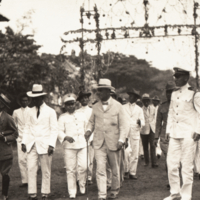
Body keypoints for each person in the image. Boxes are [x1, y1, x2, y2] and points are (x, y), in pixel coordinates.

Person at [85, 78, 128, 200]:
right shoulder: (95, 106)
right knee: (100, 169)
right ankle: (102, 194)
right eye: (99, 91)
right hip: (99, 142)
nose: (99, 93)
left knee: (115, 169)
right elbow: (91, 122)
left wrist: (121, 140)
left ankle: (114, 190)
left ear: (109, 92)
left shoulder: (118, 106)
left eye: (102, 91)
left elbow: (123, 125)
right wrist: (88, 131)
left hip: (114, 142)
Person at [163, 67, 200, 200]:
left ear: (186, 78)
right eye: (175, 77)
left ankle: (186, 195)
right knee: (171, 164)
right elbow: (171, 113)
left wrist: (198, 130)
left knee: (187, 166)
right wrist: (168, 130)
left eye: (178, 77)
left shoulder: (194, 94)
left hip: (188, 134)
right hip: (174, 133)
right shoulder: (174, 93)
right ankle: (174, 193)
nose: (176, 79)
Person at [21, 84, 58, 200]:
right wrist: (23, 142)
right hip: (32, 144)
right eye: (33, 98)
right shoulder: (29, 111)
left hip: (45, 145)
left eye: (36, 98)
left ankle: (45, 193)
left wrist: (51, 144)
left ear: (42, 98)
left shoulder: (51, 111)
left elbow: (54, 129)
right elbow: (27, 127)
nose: (33, 100)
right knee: (31, 168)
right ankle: (32, 193)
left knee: (45, 169)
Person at [58, 94, 88, 199]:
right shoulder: (62, 117)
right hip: (69, 147)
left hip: (82, 144)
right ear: (65, 106)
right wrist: (65, 136)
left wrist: (88, 136)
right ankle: (72, 191)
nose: (71, 106)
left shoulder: (82, 114)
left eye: (72, 104)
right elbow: (59, 131)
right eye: (68, 105)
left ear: (75, 104)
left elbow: (87, 127)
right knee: (70, 169)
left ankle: (82, 184)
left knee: (84, 166)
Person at [154, 81, 176, 190]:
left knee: (177, 160)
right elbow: (158, 124)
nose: (169, 94)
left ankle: (176, 179)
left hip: (178, 135)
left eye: (172, 92)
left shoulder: (180, 105)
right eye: (168, 92)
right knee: (169, 159)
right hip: (164, 137)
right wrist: (156, 138)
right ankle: (171, 180)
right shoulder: (161, 107)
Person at [0, 91, 18, 200]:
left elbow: (15, 133)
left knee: (4, 174)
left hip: (4, 151)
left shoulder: (7, 117)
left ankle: (4, 195)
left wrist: (5, 137)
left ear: (2, 105)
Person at [123, 88, 144, 180]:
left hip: (135, 131)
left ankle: (132, 172)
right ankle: (125, 170)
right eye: (130, 96)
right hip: (125, 132)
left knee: (135, 153)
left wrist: (140, 122)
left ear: (136, 99)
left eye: (133, 97)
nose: (131, 98)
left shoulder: (139, 109)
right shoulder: (123, 107)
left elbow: (143, 121)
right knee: (126, 152)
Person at [13, 92, 30, 188]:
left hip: (30, 138)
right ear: (20, 102)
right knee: (21, 160)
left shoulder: (31, 110)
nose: (24, 102)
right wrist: (16, 134)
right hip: (20, 138)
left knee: (30, 159)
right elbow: (14, 124)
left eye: (26, 100)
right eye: (23, 101)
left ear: (28, 101)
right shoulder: (16, 112)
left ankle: (31, 179)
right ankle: (25, 181)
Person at [77, 90, 94, 185]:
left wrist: (92, 138)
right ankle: (80, 177)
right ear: (79, 100)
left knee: (90, 159)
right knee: (81, 159)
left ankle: (89, 177)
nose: (84, 99)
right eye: (82, 98)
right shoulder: (77, 112)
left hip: (91, 137)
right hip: (80, 138)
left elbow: (94, 125)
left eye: (86, 98)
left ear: (88, 99)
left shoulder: (92, 111)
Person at [141, 93, 158, 168]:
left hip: (152, 129)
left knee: (152, 145)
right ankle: (146, 162)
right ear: (143, 101)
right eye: (144, 101)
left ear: (149, 101)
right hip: (144, 129)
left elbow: (156, 117)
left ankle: (154, 163)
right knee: (145, 146)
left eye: (147, 101)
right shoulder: (140, 110)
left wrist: (154, 124)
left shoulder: (153, 108)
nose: (146, 102)